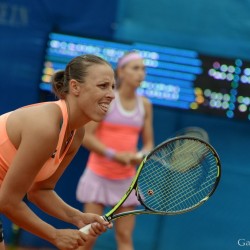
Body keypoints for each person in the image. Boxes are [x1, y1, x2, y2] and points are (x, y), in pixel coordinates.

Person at [0, 54, 114, 249]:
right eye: (103, 86)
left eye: (113, 87)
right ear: (75, 87)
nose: (112, 94)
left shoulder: (76, 133)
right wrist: (55, 235)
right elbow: (8, 201)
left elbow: (40, 190)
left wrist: (78, 218)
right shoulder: (45, 127)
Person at [76, 51, 154, 250]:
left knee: (125, 236)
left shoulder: (145, 105)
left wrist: (138, 156)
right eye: (135, 68)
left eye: (143, 69)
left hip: (126, 181)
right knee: (89, 237)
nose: (141, 74)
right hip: (98, 176)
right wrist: (114, 155)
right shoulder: (109, 99)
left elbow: (148, 145)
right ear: (121, 71)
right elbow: (87, 136)